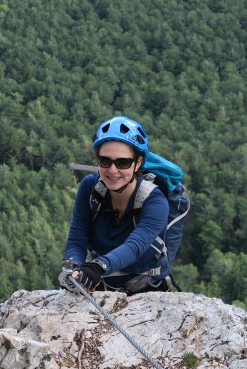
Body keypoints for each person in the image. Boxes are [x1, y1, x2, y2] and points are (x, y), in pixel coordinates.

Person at [61, 116, 171, 294]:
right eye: (105, 161)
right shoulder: (90, 188)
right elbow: (77, 237)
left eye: (122, 162)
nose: (112, 170)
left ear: (138, 162)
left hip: (147, 288)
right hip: (102, 284)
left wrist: (97, 267)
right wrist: (74, 268)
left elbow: (134, 247)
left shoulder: (155, 201)